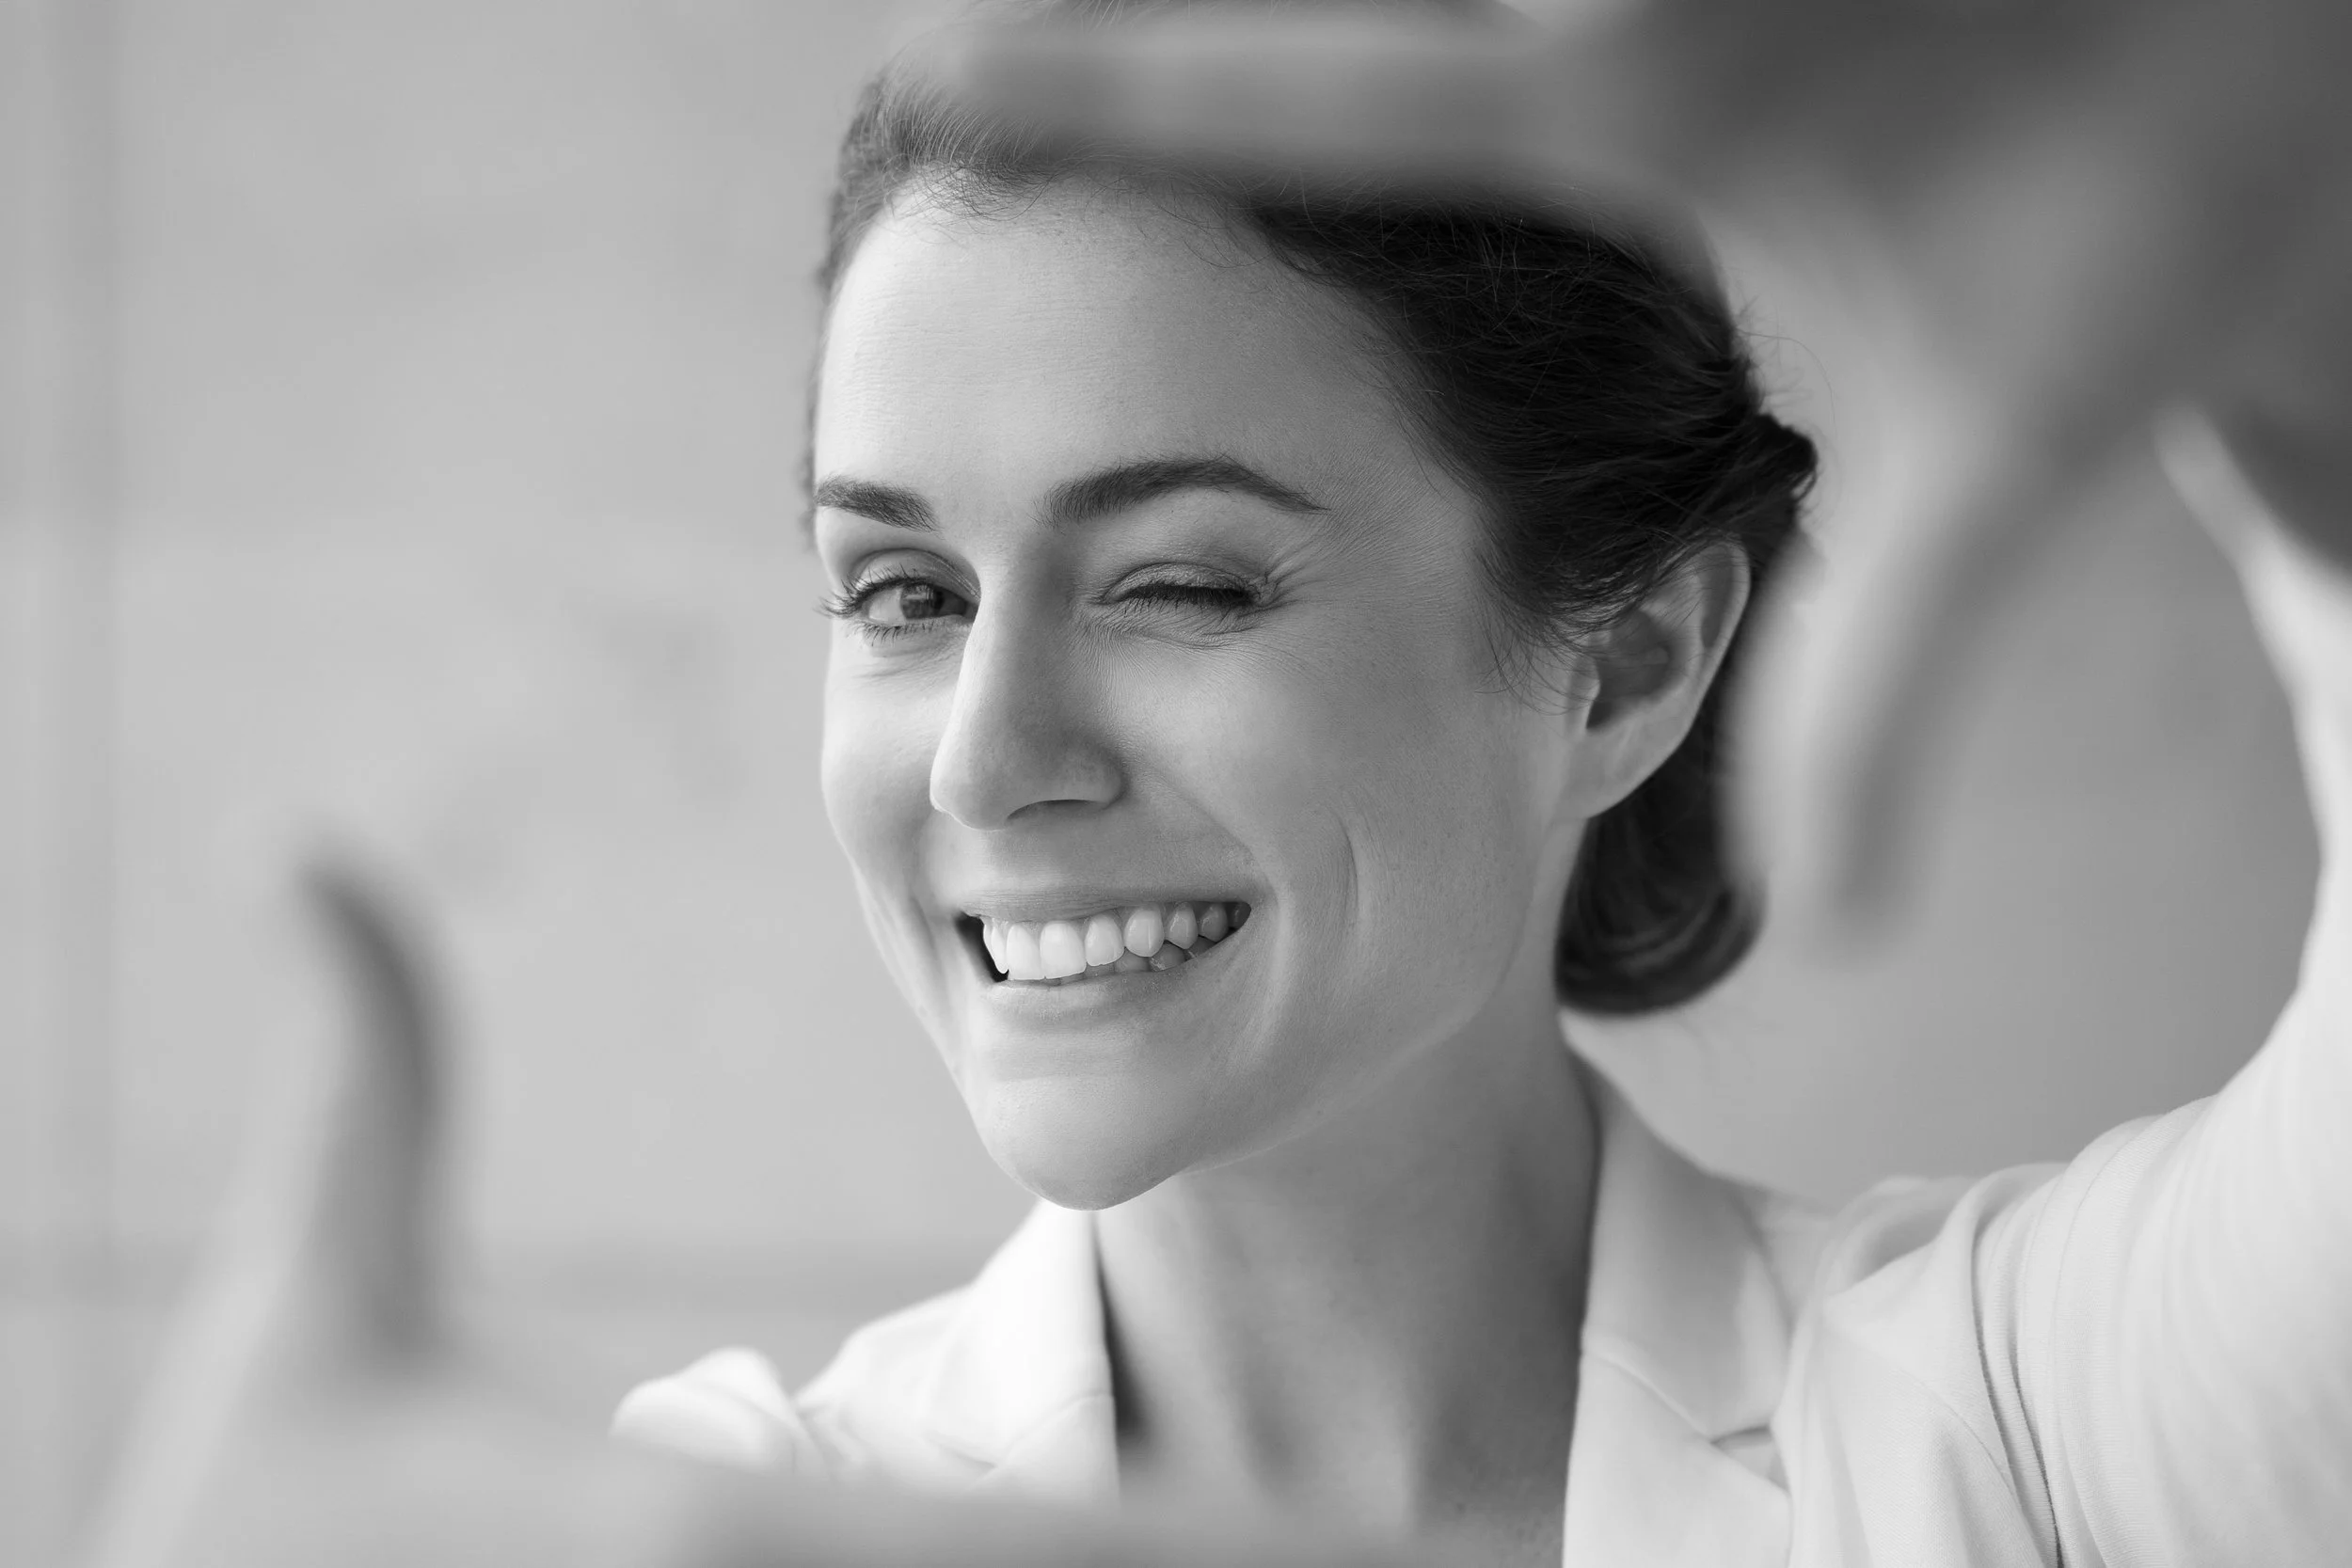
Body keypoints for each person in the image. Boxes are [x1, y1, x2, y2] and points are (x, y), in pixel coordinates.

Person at [612, 1, 2352, 1564]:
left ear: (1630, 661)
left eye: (1181, 584)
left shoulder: (2039, 1426)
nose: (988, 766)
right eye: (904, 595)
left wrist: (2308, 318)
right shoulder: (721, 1511)